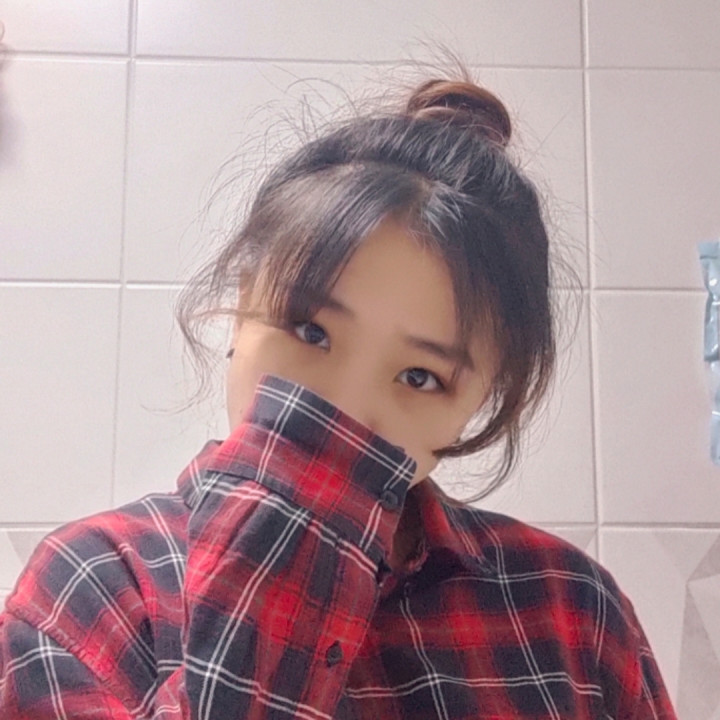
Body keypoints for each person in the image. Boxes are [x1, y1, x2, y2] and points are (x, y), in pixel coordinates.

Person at [0, 69, 677, 719]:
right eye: (310, 331)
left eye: (420, 377)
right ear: (242, 308)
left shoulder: (570, 607)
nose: (343, 409)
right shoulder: (97, 585)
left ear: (477, 400)